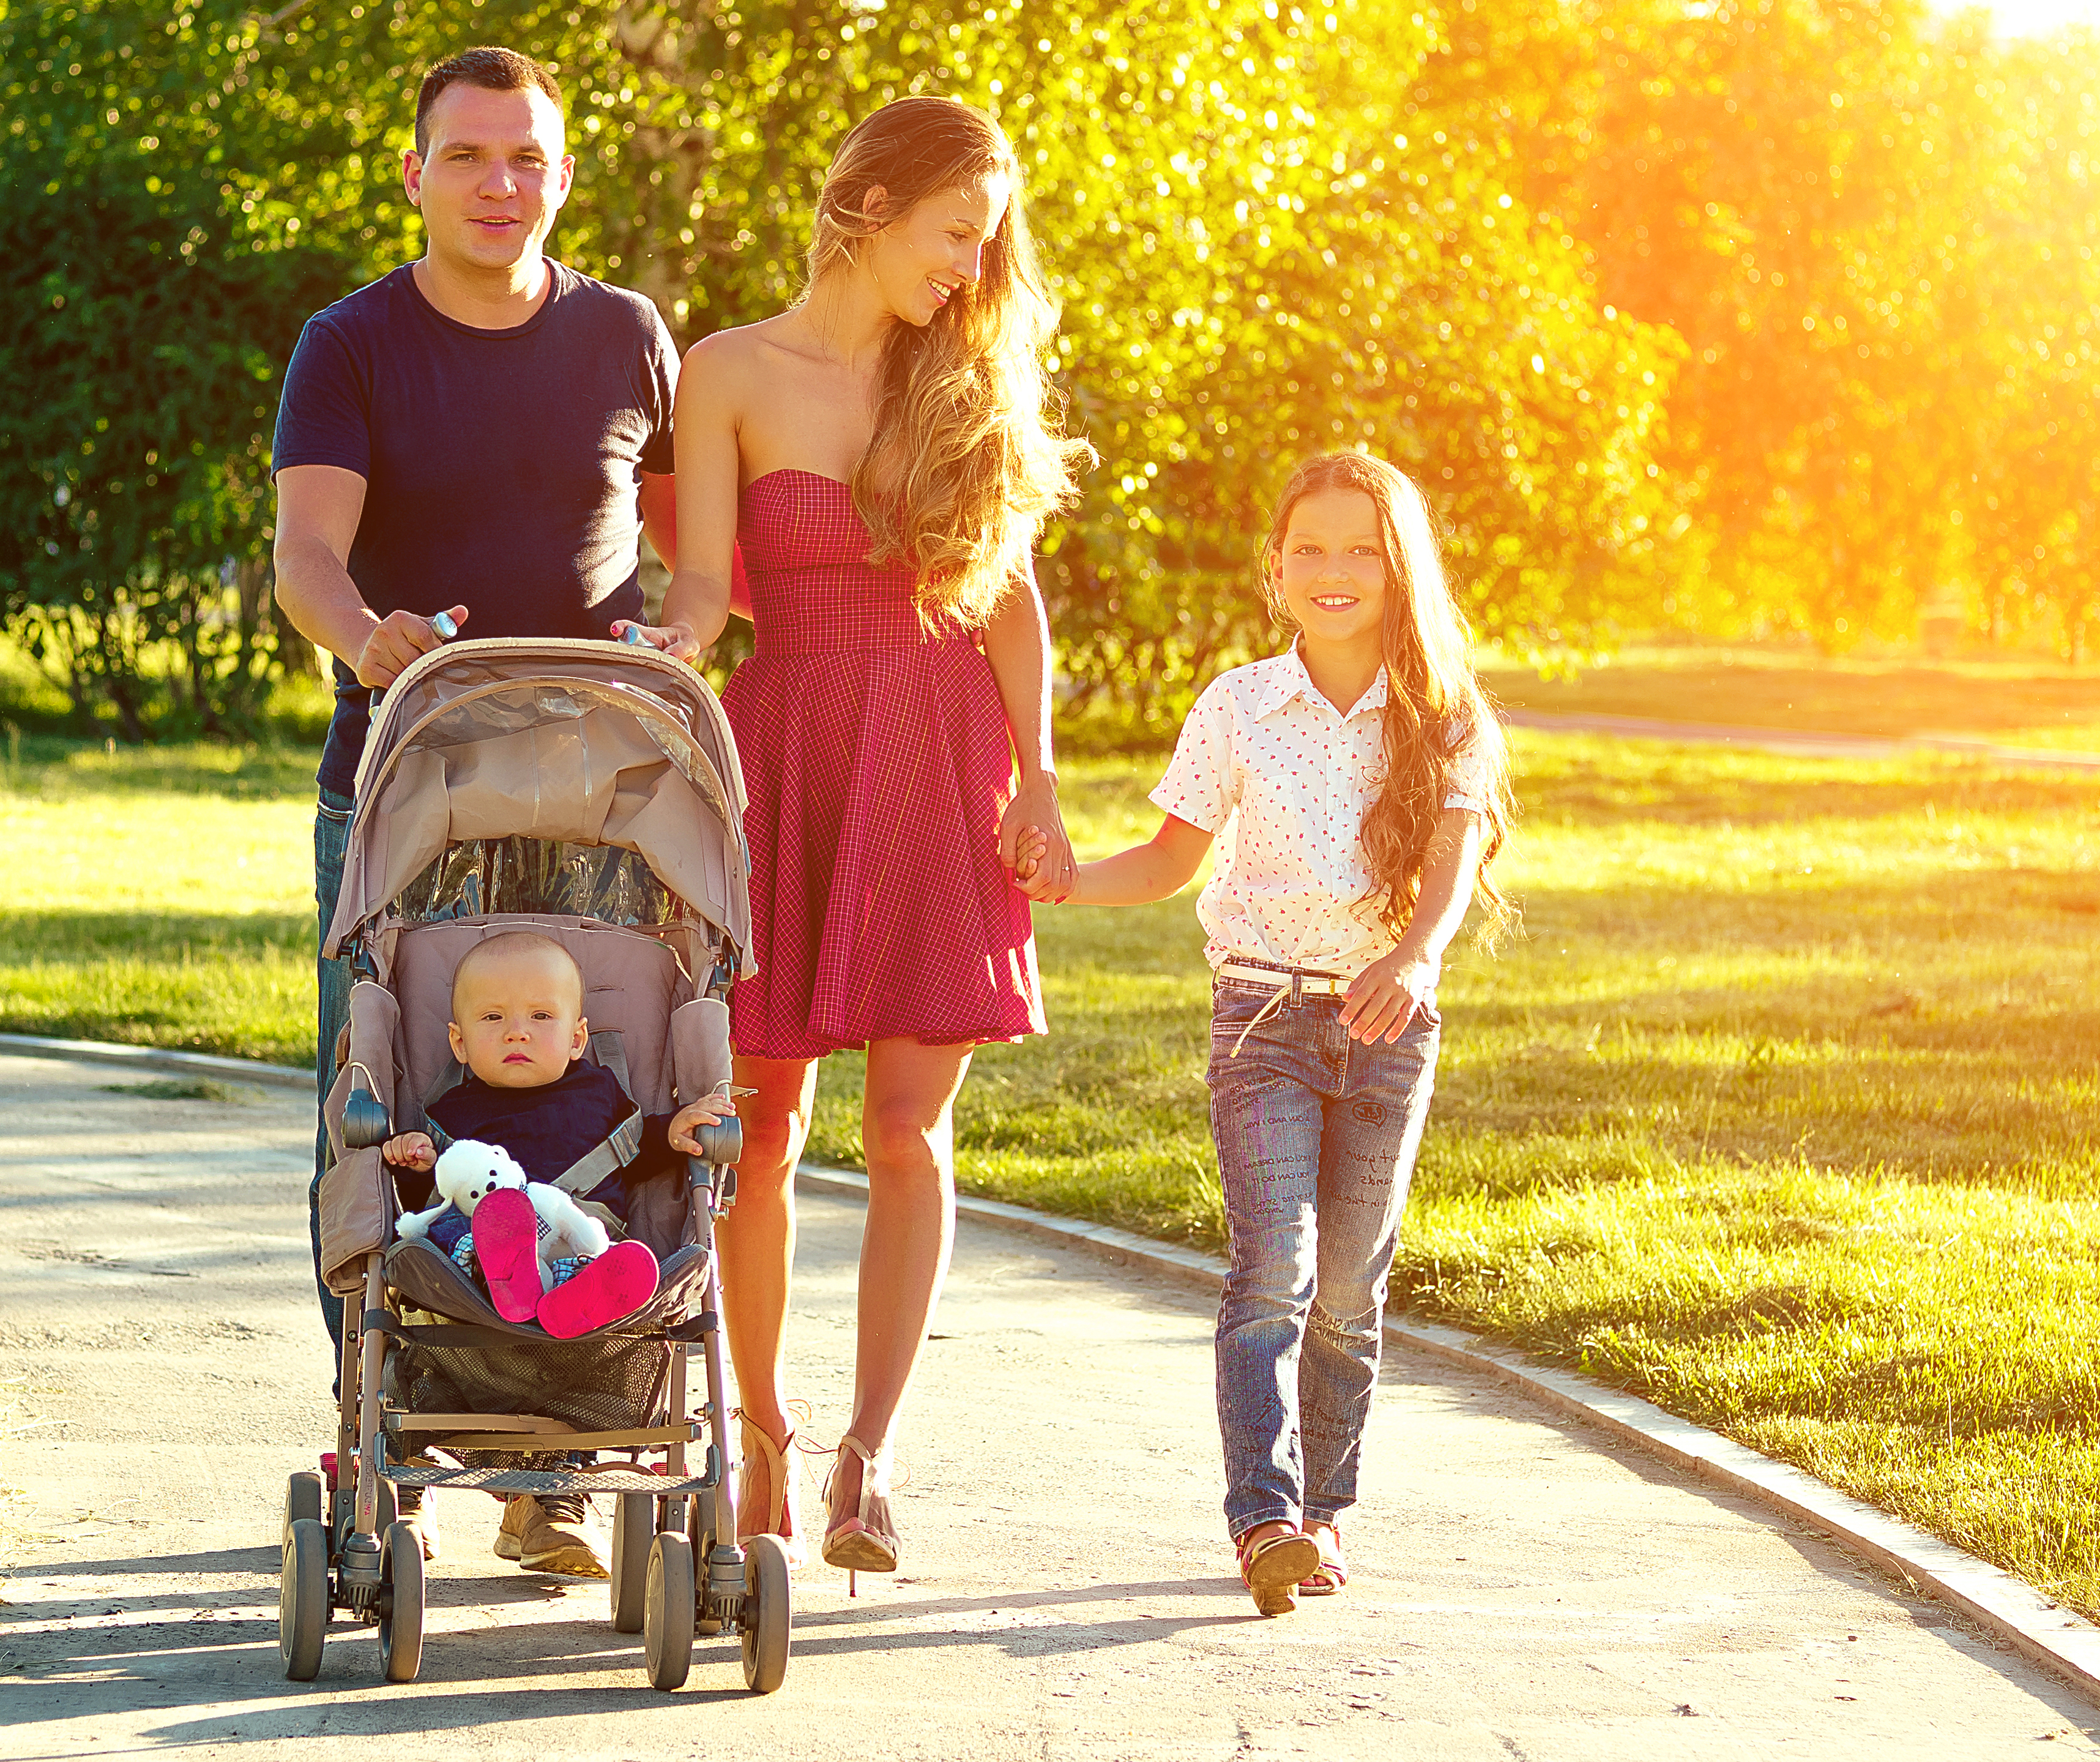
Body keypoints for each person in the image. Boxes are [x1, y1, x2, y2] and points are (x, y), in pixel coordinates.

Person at [617, 96, 1090, 1574]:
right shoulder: (728, 373)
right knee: (758, 1131)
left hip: (940, 759)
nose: (969, 265)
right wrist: (658, 648)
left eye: (984, 241)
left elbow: (1004, 595)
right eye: (954, 231)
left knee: (906, 1128)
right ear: (866, 206)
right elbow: (703, 588)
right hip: (790, 747)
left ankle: (864, 1457)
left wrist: (1041, 781)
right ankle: (756, 1431)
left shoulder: (963, 380)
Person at [271, 43, 685, 1572]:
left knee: (588, 1114)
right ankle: (377, 1429)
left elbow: (692, 555)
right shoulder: (353, 344)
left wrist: (691, 624)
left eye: (527, 158)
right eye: (469, 157)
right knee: (381, 1113)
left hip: (601, 808)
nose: (499, 185)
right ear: (414, 175)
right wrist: (363, 634)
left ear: (560, 176)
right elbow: (306, 555)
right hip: (406, 794)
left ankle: (556, 1467)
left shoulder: (629, 336)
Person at [1018, 451, 1514, 1615]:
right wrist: (1062, 883)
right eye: (1308, 549)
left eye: (1358, 549)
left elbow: (1444, 879)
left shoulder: (1446, 715)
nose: (1331, 571)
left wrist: (1413, 955)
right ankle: (1265, 1519)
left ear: (1398, 570)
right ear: (1276, 566)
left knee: (1348, 1283)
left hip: (1388, 1021)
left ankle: (1325, 1513)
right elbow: (1166, 859)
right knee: (1272, 1268)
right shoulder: (1236, 703)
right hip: (1263, 1017)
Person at [379, 931, 735, 1334]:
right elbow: (433, 1195)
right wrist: (415, 1162)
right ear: (460, 1043)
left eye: (541, 1016)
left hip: (577, 1231)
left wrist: (672, 1131)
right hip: (483, 1266)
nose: (517, 1032)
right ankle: (518, 1280)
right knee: (457, 1235)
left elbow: (632, 1150)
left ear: (577, 1039)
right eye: (493, 1017)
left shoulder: (598, 1091)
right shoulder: (452, 1112)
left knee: (600, 1259)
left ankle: (579, 1295)